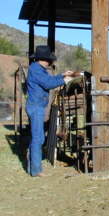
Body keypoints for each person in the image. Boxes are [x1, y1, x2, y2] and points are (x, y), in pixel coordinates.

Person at [26, 45, 76, 177]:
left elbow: (49, 80)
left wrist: (62, 75)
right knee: (38, 138)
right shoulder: (36, 69)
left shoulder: (38, 69)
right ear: (46, 59)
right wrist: (65, 80)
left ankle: (33, 166)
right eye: (50, 60)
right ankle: (36, 170)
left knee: (38, 137)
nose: (51, 62)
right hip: (36, 106)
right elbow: (48, 84)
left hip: (37, 105)